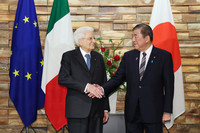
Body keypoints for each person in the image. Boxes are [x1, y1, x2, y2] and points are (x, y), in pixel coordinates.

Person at [93, 24, 174, 133]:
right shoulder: (129, 56)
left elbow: (169, 86)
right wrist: (102, 89)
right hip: (132, 112)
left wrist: (167, 111)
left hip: (154, 112)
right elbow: (117, 79)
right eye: (132, 36)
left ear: (147, 38)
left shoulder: (164, 56)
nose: (133, 40)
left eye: (136, 36)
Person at [58, 26, 110, 133]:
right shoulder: (69, 56)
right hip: (78, 110)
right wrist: (87, 87)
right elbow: (63, 78)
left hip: (97, 110)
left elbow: (104, 83)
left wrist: (105, 109)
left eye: (93, 38)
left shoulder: (98, 57)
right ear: (80, 41)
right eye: (90, 38)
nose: (94, 41)